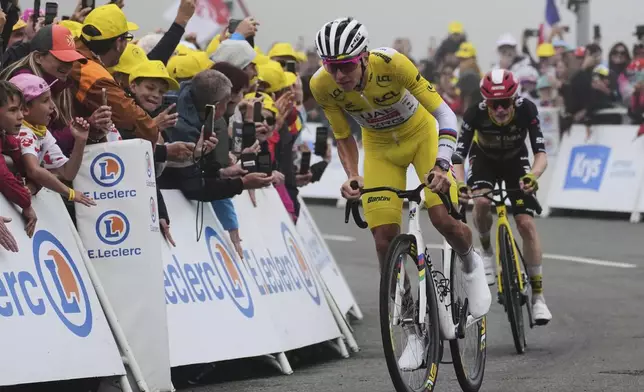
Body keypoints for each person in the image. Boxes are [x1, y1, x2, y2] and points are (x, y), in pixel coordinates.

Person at [310, 17, 491, 370]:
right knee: (383, 239)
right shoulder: (322, 85)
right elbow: (343, 136)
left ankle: (471, 263)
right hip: (378, 148)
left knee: (443, 220)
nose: (339, 75)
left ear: (362, 57)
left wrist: (442, 164)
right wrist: (352, 175)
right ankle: (412, 328)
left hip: (421, 136)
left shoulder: (393, 64)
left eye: (345, 65)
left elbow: (444, 113)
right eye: (332, 67)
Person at [453, 69, 552, 325]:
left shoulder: (526, 110)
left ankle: (538, 297)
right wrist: (461, 184)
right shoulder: (474, 112)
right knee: (483, 201)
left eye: (505, 103)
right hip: (483, 160)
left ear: (514, 99)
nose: (499, 110)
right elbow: (459, 156)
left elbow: (540, 152)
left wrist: (534, 176)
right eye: (494, 104)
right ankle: (486, 250)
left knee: (526, 224)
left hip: (515, 162)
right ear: (486, 101)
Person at [9, 73, 95, 207]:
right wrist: (70, 193)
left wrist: (80, 140)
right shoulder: (24, 133)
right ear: (25, 109)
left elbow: (67, 173)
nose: (53, 106)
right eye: (45, 100)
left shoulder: (41, 131)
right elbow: (34, 170)